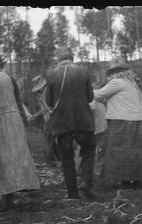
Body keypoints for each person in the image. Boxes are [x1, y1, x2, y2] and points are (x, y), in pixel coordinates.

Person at [0, 55, 40, 212]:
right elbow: (18, 101)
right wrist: (23, 122)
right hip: (12, 120)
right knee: (11, 159)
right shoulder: (8, 78)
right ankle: (9, 198)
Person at [45, 47, 96, 200]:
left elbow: (49, 101)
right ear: (72, 57)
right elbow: (90, 97)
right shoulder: (83, 72)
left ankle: (72, 193)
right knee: (88, 151)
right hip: (83, 119)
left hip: (61, 122)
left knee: (66, 157)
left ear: (58, 59)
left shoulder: (51, 74)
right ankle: (86, 183)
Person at [93, 59, 142, 190]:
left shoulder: (117, 82)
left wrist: (84, 89)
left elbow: (99, 94)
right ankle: (134, 181)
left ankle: (122, 180)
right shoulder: (131, 83)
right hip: (139, 121)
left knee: (118, 151)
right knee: (134, 152)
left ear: (117, 73)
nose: (112, 75)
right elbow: (106, 98)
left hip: (124, 121)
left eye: (113, 72)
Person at [28, 75, 60, 167]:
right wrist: (34, 116)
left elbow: (46, 109)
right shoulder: (47, 93)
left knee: (48, 141)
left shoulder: (45, 95)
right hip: (52, 119)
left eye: (39, 89)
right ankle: (58, 159)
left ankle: (50, 162)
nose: (38, 91)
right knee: (53, 141)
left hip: (50, 120)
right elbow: (44, 110)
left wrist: (34, 116)